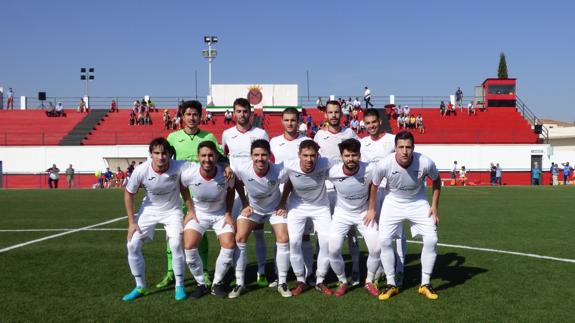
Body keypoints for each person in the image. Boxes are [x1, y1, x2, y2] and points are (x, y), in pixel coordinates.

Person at [156, 100, 226, 289]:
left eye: (195, 114)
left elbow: (221, 159)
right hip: (177, 195)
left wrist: (227, 167)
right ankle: (171, 272)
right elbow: (162, 162)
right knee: (172, 235)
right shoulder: (173, 138)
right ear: (182, 116)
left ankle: (203, 271)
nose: (192, 118)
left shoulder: (209, 136)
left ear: (200, 116)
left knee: (200, 234)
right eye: (188, 114)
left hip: (201, 197)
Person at [374, 131, 442, 301]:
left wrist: (434, 206)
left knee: (431, 239)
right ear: (395, 148)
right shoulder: (384, 164)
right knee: (384, 241)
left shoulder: (425, 162)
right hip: (393, 202)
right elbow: (374, 185)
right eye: (401, 147)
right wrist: (371, 209)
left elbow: (437, 180)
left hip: (417, 202)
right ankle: (391, 284)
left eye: (408, 147)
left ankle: (425, 284)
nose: (405, 151)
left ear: (413, 148)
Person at [122, 138, 189, 302]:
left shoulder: (179, 166)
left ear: (169, 154)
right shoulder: (141, 170)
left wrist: (225, 166)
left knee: (175, 244)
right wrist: (132, 223)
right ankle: (140, 286)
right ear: (151, 154)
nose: (161, 157)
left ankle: (179, 285)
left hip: (173, 210)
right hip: (149, 210)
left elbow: (204, 164)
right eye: (156, 153)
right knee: (132, 244)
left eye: (164, 153)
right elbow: (129, 193)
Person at [230, 139, 292, 298]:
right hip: (254, 209)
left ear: (269, 156)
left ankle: (282, 281)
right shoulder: (243, 168)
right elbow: (235, 180)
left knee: (283, 237)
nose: (260, 158)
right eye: (256, 155)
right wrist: (244, 203)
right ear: (251, 156)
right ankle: (239, 283)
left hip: (274, 209)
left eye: (264, 155)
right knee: (240, 237)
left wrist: (283, 203)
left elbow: (290, 181)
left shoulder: (279, 170)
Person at [221, 97, 270, 287]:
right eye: (238, 111)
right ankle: (237, 272)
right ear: (233, 113)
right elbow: (224, 157)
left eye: (245, 111)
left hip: (255, 189)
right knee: (235, 233)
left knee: (258, 232)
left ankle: (262, 271)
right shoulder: (227, 134)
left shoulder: (261, 133)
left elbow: (265, 158)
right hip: (233, 189)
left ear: (250, 113)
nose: (242, 114)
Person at [313, 100, 362, 286]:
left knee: (351, 232)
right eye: (330, 112)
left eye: (337, 112)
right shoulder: (319, 136)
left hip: (346, 189)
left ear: (342, 114)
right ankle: (322, 272)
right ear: (325, 114)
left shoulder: (350, 133)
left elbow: (357, 157)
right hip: (325, 190)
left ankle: (356, 268)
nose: (333, 115)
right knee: (323, 233)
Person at [180, 141, 236, 299]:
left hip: (220, 215)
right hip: (199, 214)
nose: (207, 159)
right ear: (198, 157)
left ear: (216, 157)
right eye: (203, 155)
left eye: (211, 155)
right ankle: (201, 284)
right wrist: (190, 209)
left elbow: (231, 192)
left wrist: (228, 213)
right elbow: (183, 188)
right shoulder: (189, 174)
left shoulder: (226, 174)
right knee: (189, 246)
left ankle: (216, 284)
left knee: (229, 245)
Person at [326, 139, 380, 297]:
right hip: (341, 214)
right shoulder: (333, 171)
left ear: (360, 155)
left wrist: (371, 208)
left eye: (354, 155)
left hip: (363, 213)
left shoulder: (370, 169)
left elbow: (375, 185)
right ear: (341, 156)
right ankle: (342, 281)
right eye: (347, 155)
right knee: (333, 250)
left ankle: (369, 281)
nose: (350, 159)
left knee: (376, 248)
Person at [279, 140, 334, 296]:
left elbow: (344, 169)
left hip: (321, 206)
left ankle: (320, 280)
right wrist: (282, 203)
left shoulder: (326, 162)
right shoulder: (289, 165)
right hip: (297, 207)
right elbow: (286, 181)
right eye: (305, 155)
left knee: (326, 243)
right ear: (299, 155)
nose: (309, 159)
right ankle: (301, 280)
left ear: (318, 155)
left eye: (312, 156)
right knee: (294, 242)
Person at [360, 109, 406, 288]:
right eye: (367, 123)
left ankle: (400, 269)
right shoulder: (362, 143)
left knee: (398, 233)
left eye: (373, 122)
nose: (371, 126)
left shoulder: (392, 140)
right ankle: (380, 269)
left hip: (391, 192)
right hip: (372, 192)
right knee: (378, 232)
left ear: (380, 122)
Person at [270, 108, 314, 287]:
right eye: (286, 120)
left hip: (302, 195)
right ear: (282, 121)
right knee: (281, 235)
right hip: (279, 193)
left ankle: (308, 272)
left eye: (293, 120)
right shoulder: (274, 142)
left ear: (299, 121)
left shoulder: (307, 141)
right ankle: (278, 273)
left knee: (303, 236)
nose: (290, 123)